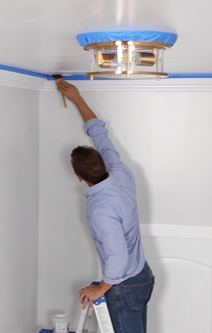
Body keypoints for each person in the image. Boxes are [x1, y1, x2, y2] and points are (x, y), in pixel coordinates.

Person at [56, 80, 155, 333]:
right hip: (141, 274)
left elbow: (118, 256)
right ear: (101, 162)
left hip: (124, 284)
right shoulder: (120, 172)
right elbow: (99, 133)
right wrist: (77, 99)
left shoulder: (100, 209)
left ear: (79, 177)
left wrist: (101, 287)